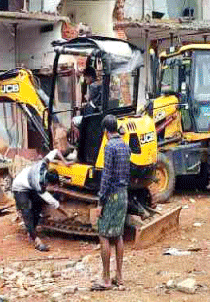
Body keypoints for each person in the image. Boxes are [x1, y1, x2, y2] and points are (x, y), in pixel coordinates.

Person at [92, 115, 130, 291]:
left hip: (112, 195)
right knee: (118, 235)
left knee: (104, 235)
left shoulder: (110, 147)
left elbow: (106, 176)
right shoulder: (125, 145)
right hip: (123, 194)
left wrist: (100, 202)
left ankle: (106, 279)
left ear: (106, 131)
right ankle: (119, 277)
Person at [12, 149, 72, 251]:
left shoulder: (44, 164)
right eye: (54, 186)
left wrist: (65, 162)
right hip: (19, 187)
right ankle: (37, 241)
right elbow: (53, 202)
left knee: (37, 206)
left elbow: (56, 151)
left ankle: (32, 230)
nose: (55, 188)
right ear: (48, 183)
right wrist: (66, 213)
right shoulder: (39, 186)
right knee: (26, 212)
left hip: (29, 183)